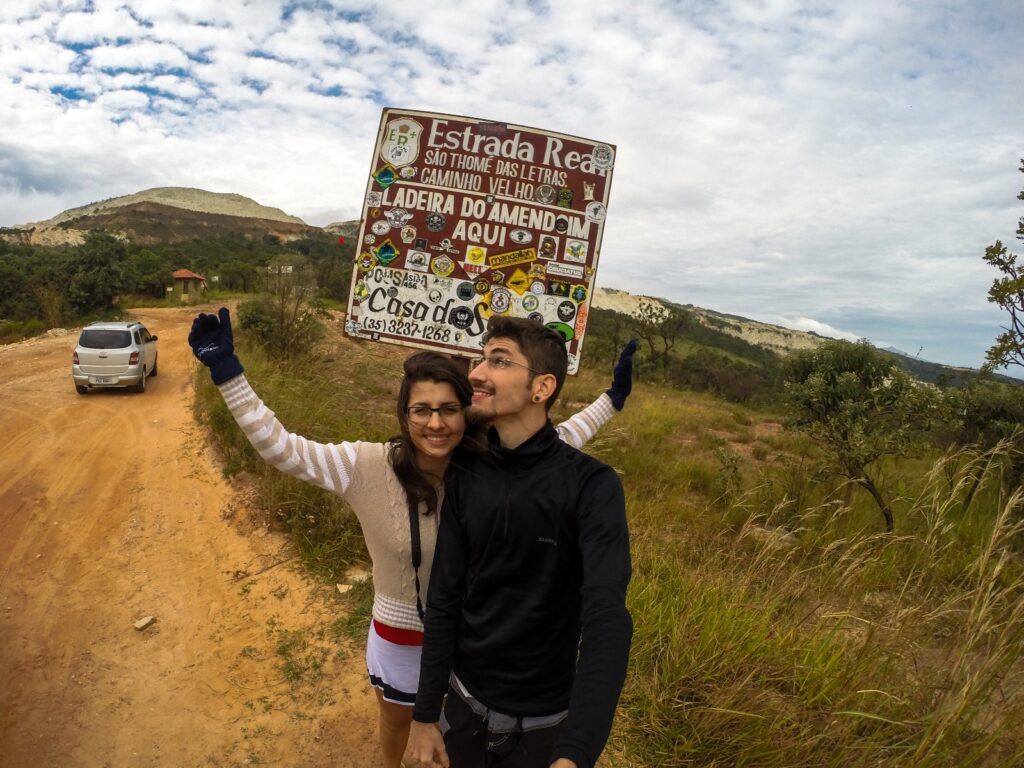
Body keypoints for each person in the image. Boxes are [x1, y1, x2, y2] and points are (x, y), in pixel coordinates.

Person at [187, 308, 637, 768]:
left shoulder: (481, 463)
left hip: (471, 656)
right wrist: (229, 374)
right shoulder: (369, 466)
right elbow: (284, 449)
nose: (435, 424)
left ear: (467, 414)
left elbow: (558, 440)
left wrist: (612, 400)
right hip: (405, 644)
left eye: (448, 409)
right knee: (400, 734)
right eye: (420, 410)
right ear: (403, 414)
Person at [408, 316, 633, 768]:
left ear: (541, 387)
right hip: (463, 706)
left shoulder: (592, 487)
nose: (475, 373)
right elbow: (445, 597)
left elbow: (608, 617)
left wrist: (576, 752)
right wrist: (425, 714)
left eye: (499, 360)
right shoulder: (467, 471)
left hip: (545, 727)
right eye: (481, 358)